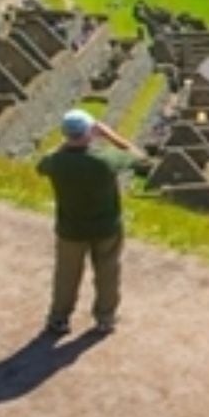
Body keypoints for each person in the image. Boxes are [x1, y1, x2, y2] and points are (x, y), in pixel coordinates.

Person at [37, 108, 142, 336]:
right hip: (106, 227)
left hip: (70, 229)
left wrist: (66, 143)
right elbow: (138, 157)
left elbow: (42, 163)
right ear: (89, 132)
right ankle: (105, 318)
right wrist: (109, 134)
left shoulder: (55, 162)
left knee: (66, 275)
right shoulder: (105, 159)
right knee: (107, 273)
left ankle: (59, 318)